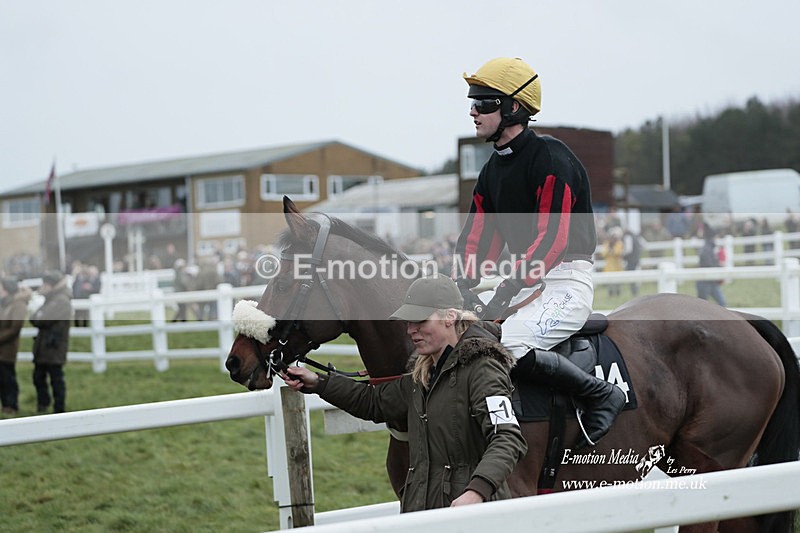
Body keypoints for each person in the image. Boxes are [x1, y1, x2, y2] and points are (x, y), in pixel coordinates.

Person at [454, 57, 625, 448]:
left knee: (506, 345)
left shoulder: (551, 158)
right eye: (472, 102)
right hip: (524, 282)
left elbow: (553, 240)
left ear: (513, 107)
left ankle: (600, 394)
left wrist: (505, 289)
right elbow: (477, 239)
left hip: (565, 280)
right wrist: (460, 282)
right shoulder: (490, 172)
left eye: (483, 102)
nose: (472, 110)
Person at [281, 275, 526, 512]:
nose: (411, 330)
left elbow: (506, 437)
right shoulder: (422, 374)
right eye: (408, 322)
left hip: (474, 514)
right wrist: (319, 383)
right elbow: (374, 402)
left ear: (450, 317)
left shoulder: (484, 368)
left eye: (420, 321)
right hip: (422, 511)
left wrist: (477, 492)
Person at [30, 270, 72, 413]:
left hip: (53, 346)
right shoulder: (52, 299)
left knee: (56, 379)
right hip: (46, 346)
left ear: (51, 285)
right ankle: (45, 405)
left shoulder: (60, 301)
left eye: (45, 284)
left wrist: (40, 315)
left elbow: (40, 319)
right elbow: (35, 317)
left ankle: (58, 408)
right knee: (39, 377)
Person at [0, 277, 31, 416]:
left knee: (8, 378)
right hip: (2, 347)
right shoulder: (5, 304)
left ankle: (12, 405)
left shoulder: (18, 304)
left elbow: (15, 328)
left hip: (8, 348)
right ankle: (5, 404)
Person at [696, 224, 727, 306]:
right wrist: (719, 266)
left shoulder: (709, 248)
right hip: (706, 281)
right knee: (702, 306)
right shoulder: (707, 249)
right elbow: (708, 264)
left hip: (711, 280)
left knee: (722, 303)